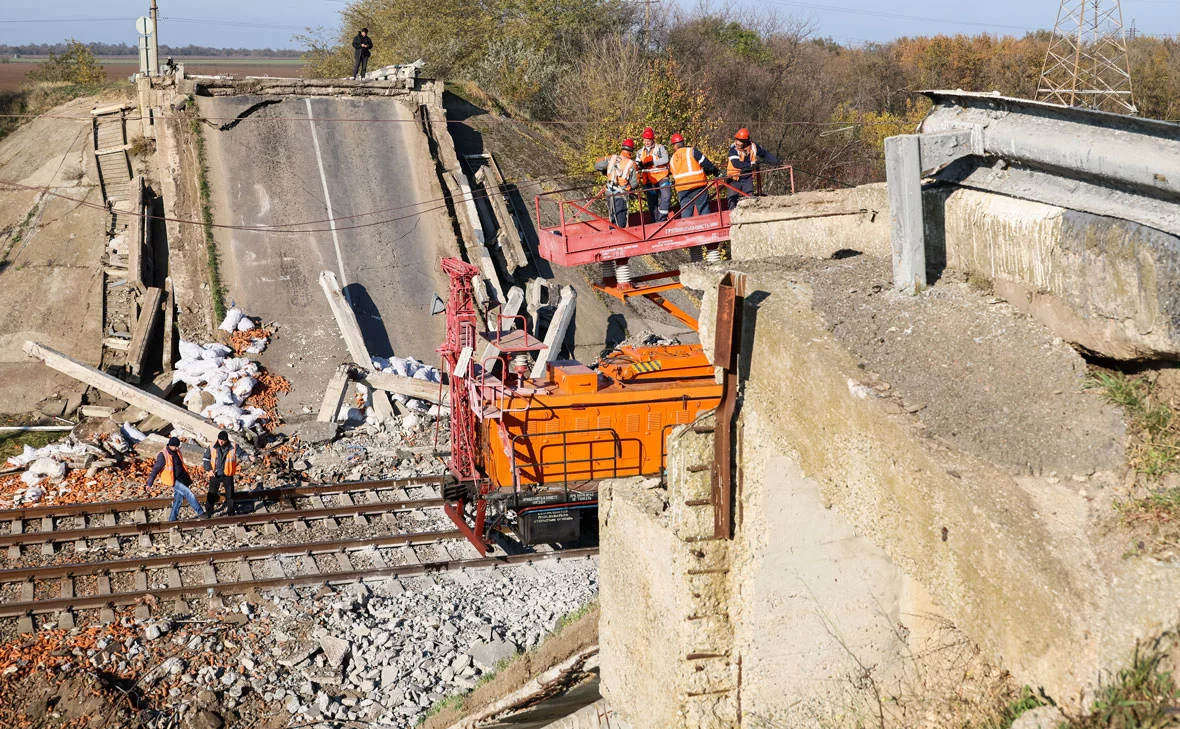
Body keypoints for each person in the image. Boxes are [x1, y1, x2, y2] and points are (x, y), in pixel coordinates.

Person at [146, 437, 207, 521]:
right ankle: (200, 512)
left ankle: (172, 519)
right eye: (176, 447)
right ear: (170, 445)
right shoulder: (163, 455)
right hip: (173, 480)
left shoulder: (177, 451)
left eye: (178, 446)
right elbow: (155, 470)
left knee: (178, 500)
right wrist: (149, 483)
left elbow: (180, 464)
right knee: (188, 493)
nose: (177, 448)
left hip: (181, 478)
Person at [726, 127, 780, 210]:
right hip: (733, 178)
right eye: (737, 140)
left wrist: (776, 162)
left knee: (750, 200)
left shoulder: (753, 147)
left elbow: (765, 154)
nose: (737, 143)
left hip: (747, 177)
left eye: (740, 141)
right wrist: (751, 165)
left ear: (745, 141)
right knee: (732, 200)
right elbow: (736, 163)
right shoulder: (733, 149)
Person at [669, 133, 719, 218]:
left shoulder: (672, 158)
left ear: (675, 146)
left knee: (686, 213)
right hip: (698, 185)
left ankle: (687, 229)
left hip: (682, 189)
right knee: (704, 210)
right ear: (683, 143)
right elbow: (706, 163)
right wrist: (715, 172)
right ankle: (707, 228)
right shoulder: (691, 151)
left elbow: (674, 174)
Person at [594, 138, 640, 228]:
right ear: (631, 151)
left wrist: (607, 162)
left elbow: (598, 165)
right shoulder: (631, 163)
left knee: (612, 217)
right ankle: (620, 235)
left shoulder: (613, 159)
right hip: (621, 194)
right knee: (621, 220)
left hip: (609, 193)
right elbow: (635, 182)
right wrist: (630, 188)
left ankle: (613, 234)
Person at [635, 127, 671, 222]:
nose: (646, 142)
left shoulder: (660, 148)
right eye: (645, 141)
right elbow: (636, 165)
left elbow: (666, 159)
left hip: (661, 177)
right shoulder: (640, 152)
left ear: (652, 139)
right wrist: (640, 165)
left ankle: (662, 219)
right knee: (651, 203)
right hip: (648, 180)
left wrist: (653, 162)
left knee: (666, 196)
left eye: (648, 140)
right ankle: (655, 221)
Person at [203, 430, 243, 516]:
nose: (220, 442)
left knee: (230, 495)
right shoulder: (212, 446)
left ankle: (231, 512)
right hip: (215, 474)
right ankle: (208, 512)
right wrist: (209, 470)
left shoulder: (233, 446)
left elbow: (241, 454)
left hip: (227, 474)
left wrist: (248, 457)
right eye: (219, 440)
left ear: (226, 440)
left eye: (223, 440)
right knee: (211, 494)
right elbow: (206, 459)